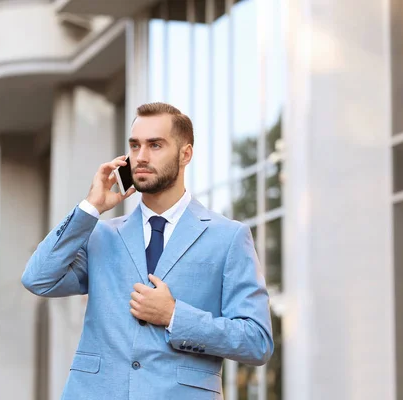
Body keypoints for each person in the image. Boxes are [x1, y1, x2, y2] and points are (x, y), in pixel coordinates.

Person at [21, 102, 273, 400]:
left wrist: (174, 316)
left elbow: (257, 341)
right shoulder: (101, 234)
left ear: (185, 154)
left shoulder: (228, 237)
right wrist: (90, 207)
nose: (140, 157)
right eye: (134, 145)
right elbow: (38, 278)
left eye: (155, 145)